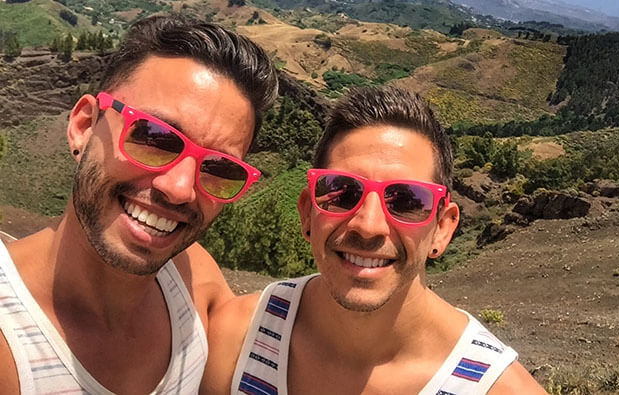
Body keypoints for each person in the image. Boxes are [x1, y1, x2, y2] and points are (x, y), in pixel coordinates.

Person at [202, 86, 546, 394]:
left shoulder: (498, 388)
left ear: (443, 228)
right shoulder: (236, 341)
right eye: (342, 192)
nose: (369, 226)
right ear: (308, 213)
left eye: (408, 201)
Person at [0, 15, 277, 394]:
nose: (180, 189)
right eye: (154, 136)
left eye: (219, 167)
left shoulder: (194, 281)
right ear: (84, 126)